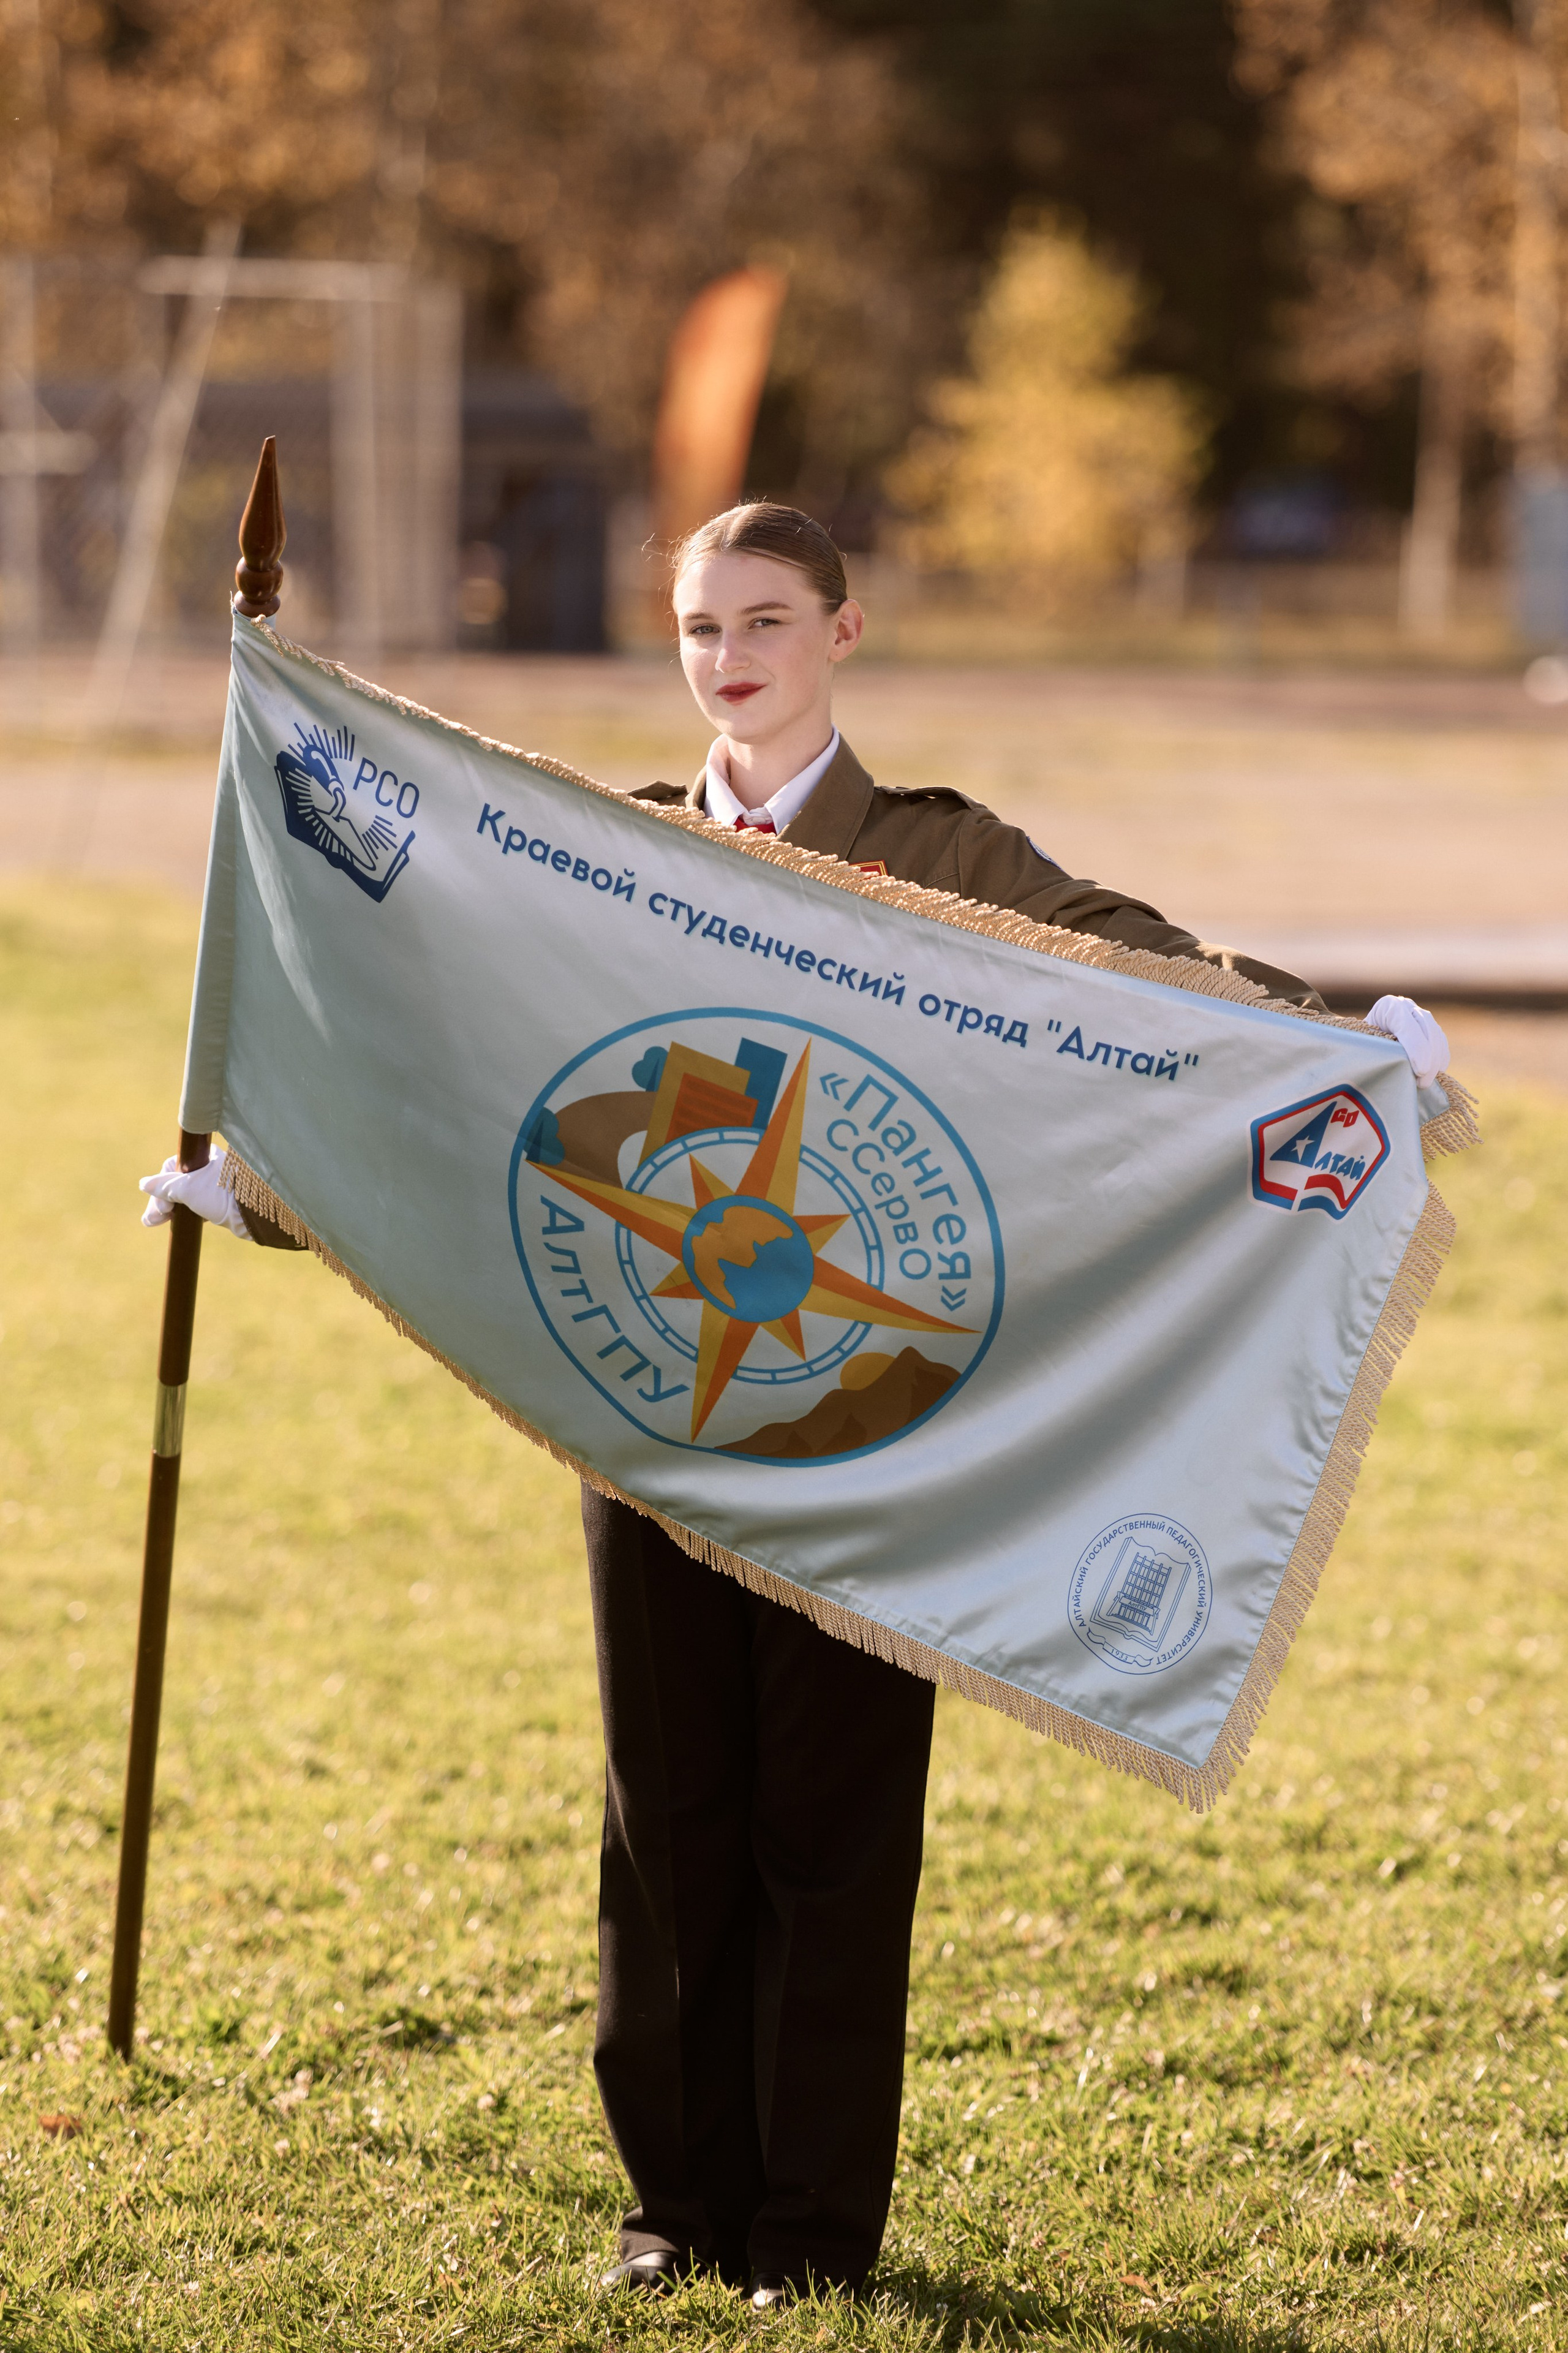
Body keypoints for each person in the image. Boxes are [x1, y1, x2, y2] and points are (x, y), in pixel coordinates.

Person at [142, 501, 1450, 2310]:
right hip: (648, 1415)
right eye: (701, 626)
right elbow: (456, 1065)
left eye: (767, 619)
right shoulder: (615, 854)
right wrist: (271, 1183)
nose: (730, 656)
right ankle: (675, 2209)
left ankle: (814, 2236)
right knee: (666, 1822)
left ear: (844, 630)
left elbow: (1141, 976)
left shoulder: (939, 851)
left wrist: (1339, 1045)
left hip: (878, 1436)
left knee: (831, 1837)